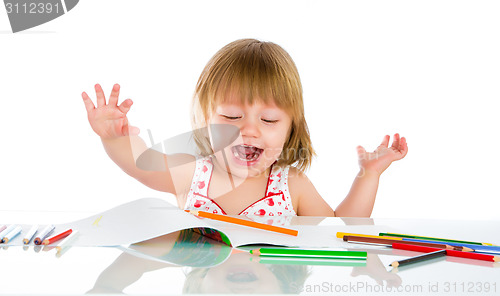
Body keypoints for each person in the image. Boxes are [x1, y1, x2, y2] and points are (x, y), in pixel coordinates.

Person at [81, 38, 408, 217]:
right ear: (206, 119)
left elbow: (339, 229)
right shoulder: (193, 174)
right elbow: (140, 166)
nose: (248, 131)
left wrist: (370, 175)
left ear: (291, 127)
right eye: (232, 117)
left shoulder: (291, 185)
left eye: (268, 120)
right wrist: (113, 137)